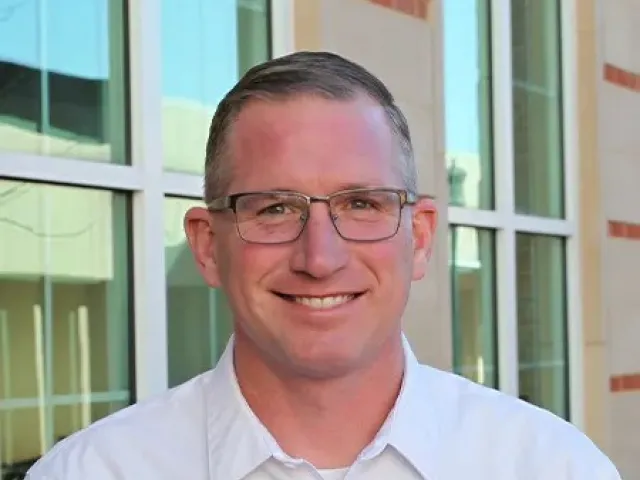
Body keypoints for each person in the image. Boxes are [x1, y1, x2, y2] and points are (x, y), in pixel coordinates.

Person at [27, 51, 620, 480]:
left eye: (361, 204)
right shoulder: (94, 471)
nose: (319, 258)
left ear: (419, 238)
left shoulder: (550, 465)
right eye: (274, 207)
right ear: (208, 245)